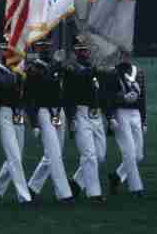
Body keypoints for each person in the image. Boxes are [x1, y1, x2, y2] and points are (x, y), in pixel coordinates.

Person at [25, 39, 74, 202]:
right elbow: (42, 82)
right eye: (41, 46)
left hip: (58, 111)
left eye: (47, 46)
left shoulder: (56, 64)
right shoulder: (32, 67)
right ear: (36, 48)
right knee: (54, 153)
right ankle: (63, 193)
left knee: (54, 153)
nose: (45, 49)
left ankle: (32, 187)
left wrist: (66, 65)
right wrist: (34, 123)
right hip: (43, 111)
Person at [0, 38, 32, 205]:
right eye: (6, 50)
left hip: (17, 113)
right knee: (14, 156)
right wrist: (17, 73)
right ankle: (24, 195)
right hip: (4, 113)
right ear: (0, 52)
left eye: (12, 51)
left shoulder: (17, 70)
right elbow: (6, 86)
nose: (9, 53)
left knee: (17, 156)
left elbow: (24, 93)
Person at [65, 36, 108, 202]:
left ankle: (76, 182)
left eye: (86, 49)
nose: (85, 52)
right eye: (81, 49)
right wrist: (71, 119)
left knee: (100, 156)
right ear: (75, 51)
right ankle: (94, 193)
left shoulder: (92, 67)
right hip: (80, 113)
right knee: (89, 154)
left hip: (95, 114)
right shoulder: (71, 68)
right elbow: (69, 94)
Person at [107, 51, 147, 197]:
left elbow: (143, 98)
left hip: (135, 113)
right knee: (129, 152)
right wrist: (121, 101)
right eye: (122, 54)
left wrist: (144, 120)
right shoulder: (112, 73)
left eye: (127, 54)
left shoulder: (139, 72)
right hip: (120, 113)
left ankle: (116, 177)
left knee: (138, 155)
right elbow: (108, 97)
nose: (125, 57)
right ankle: (136, 188)